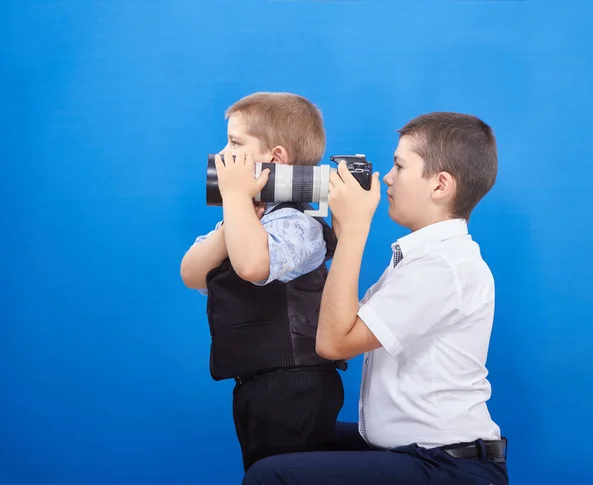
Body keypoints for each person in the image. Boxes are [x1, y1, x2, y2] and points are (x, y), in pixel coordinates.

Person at [242, 112, 509, 484]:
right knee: (285, 436)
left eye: (399, 165)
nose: (387, 177)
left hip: (448, 467)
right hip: (416, 453)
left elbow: (335, 342)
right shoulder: (421, 260)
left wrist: (354, 230)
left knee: (273, 476)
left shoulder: (443, 268)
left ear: (440, 185)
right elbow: (342, 320)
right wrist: (338, 231)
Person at [180, 92, 346, 472]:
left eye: (235, 144)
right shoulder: (244, 221)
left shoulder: (298, 224)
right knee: (263, 469)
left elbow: (255, 266)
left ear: (276, 158)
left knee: (281, 476)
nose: (222, 155)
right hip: (256, 384)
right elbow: (192, 273)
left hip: (294, 384)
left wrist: (237, 199)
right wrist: (234, 214)